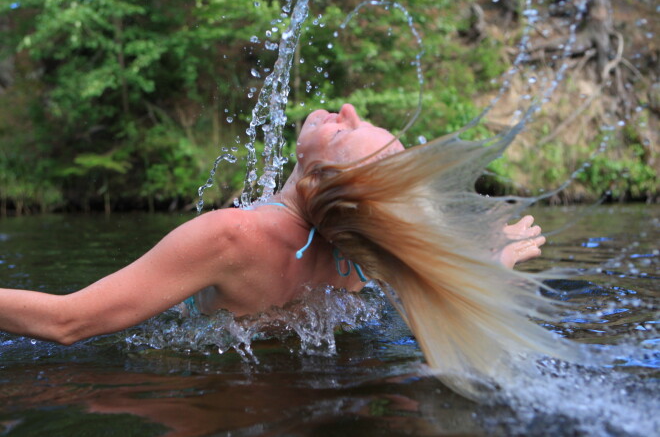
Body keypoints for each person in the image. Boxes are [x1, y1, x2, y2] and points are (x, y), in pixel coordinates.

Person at [0, 104, 571, 396]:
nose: (346, 110)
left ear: (320, 183)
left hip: (198, 387)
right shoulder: (358, 255)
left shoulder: (230, 237)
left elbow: (68, 323)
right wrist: (486, 271)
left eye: (347, 133)